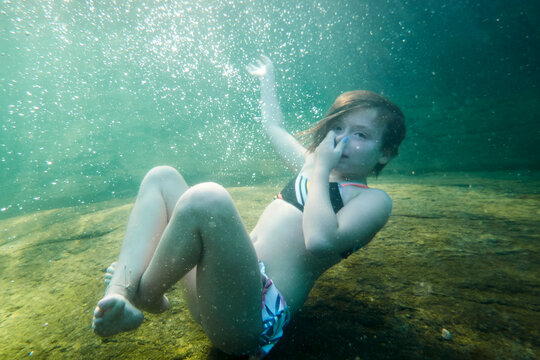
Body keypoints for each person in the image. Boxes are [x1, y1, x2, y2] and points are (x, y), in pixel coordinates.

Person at [91, 56, 406, 358]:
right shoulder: (311, 166)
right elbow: (274, 128)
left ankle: (145, 292)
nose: (342, 141)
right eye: (338, 128)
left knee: (208, 199)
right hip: (216, 290)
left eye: (361, 135)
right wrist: (267, 80)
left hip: (251, 318)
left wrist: (321, 169)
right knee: (162, 177)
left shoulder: (372, 200)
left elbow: (320, 240)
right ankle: (119, 294)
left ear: (385, 154)